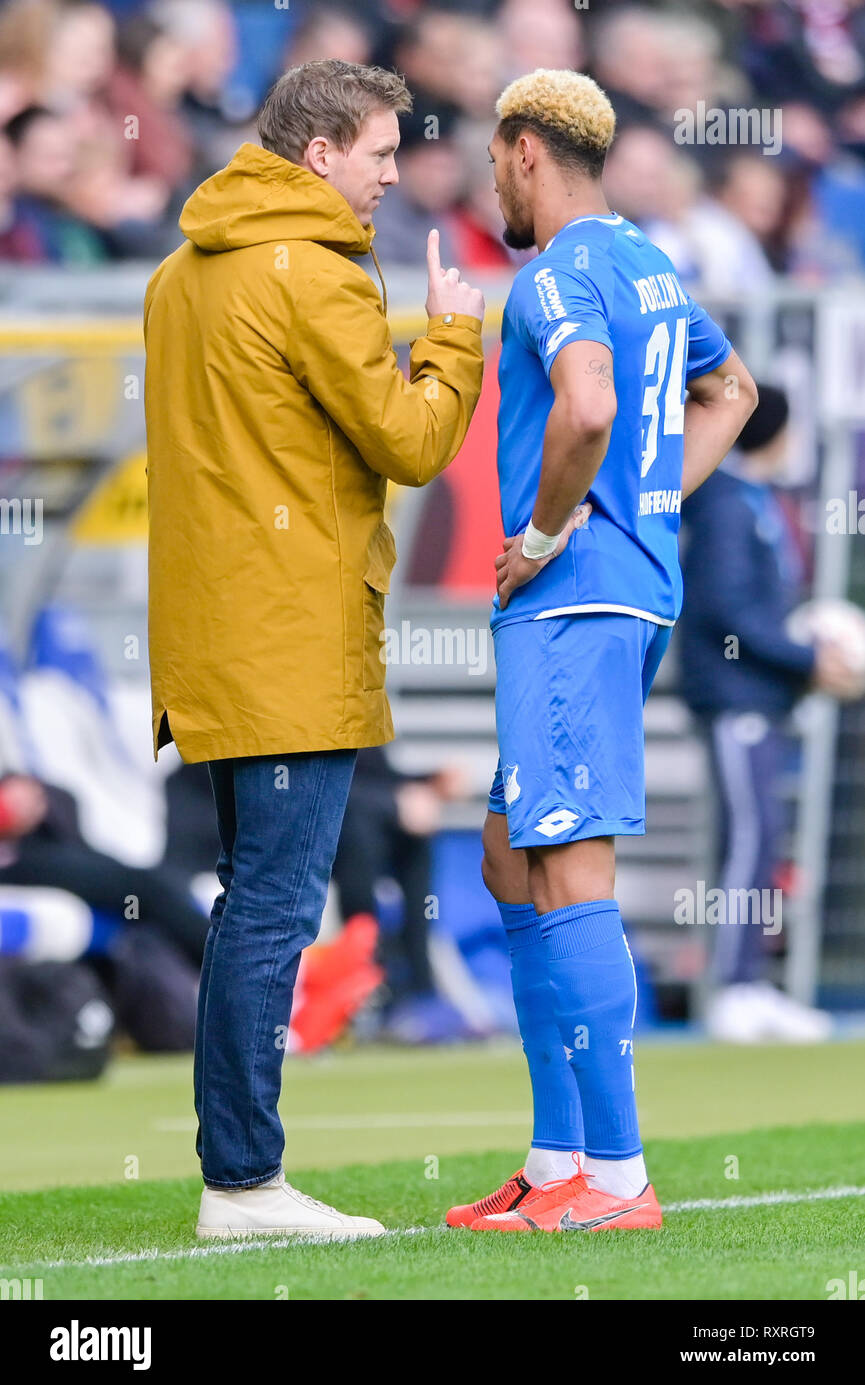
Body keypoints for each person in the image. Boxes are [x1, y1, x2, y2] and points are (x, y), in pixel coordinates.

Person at [144, 58, 485, 1240]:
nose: (395, 174)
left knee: (254, 902)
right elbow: (409, 443)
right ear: (319, 152)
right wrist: (451, 338)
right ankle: (242, 1179)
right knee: (275, 909)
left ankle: (237, 1169)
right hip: (290, 636)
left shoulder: (180, 271)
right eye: (382, 152)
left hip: (215, 630)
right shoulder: (317, 273)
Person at [448, 68, 758, 1235]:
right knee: (507, 855)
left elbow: (582, 407)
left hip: (571, 602)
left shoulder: (556, 273)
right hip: (619, 594)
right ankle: (554, 1158)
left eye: (492, 158)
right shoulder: (651, 265)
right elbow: (733, 389)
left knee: (568, 865)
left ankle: (619, 1182)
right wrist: (648, 503)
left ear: (525, 148)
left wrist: (543, 532)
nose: (491, 179)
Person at [678, 384, 859, 1041]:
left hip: (757, 697)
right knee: (748, 840)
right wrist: (806, 657)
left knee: (758, 841)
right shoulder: (727, 504)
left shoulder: (752, 499)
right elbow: (728, 611)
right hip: (734, 700)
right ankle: (732, 988)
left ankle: (750, 982)